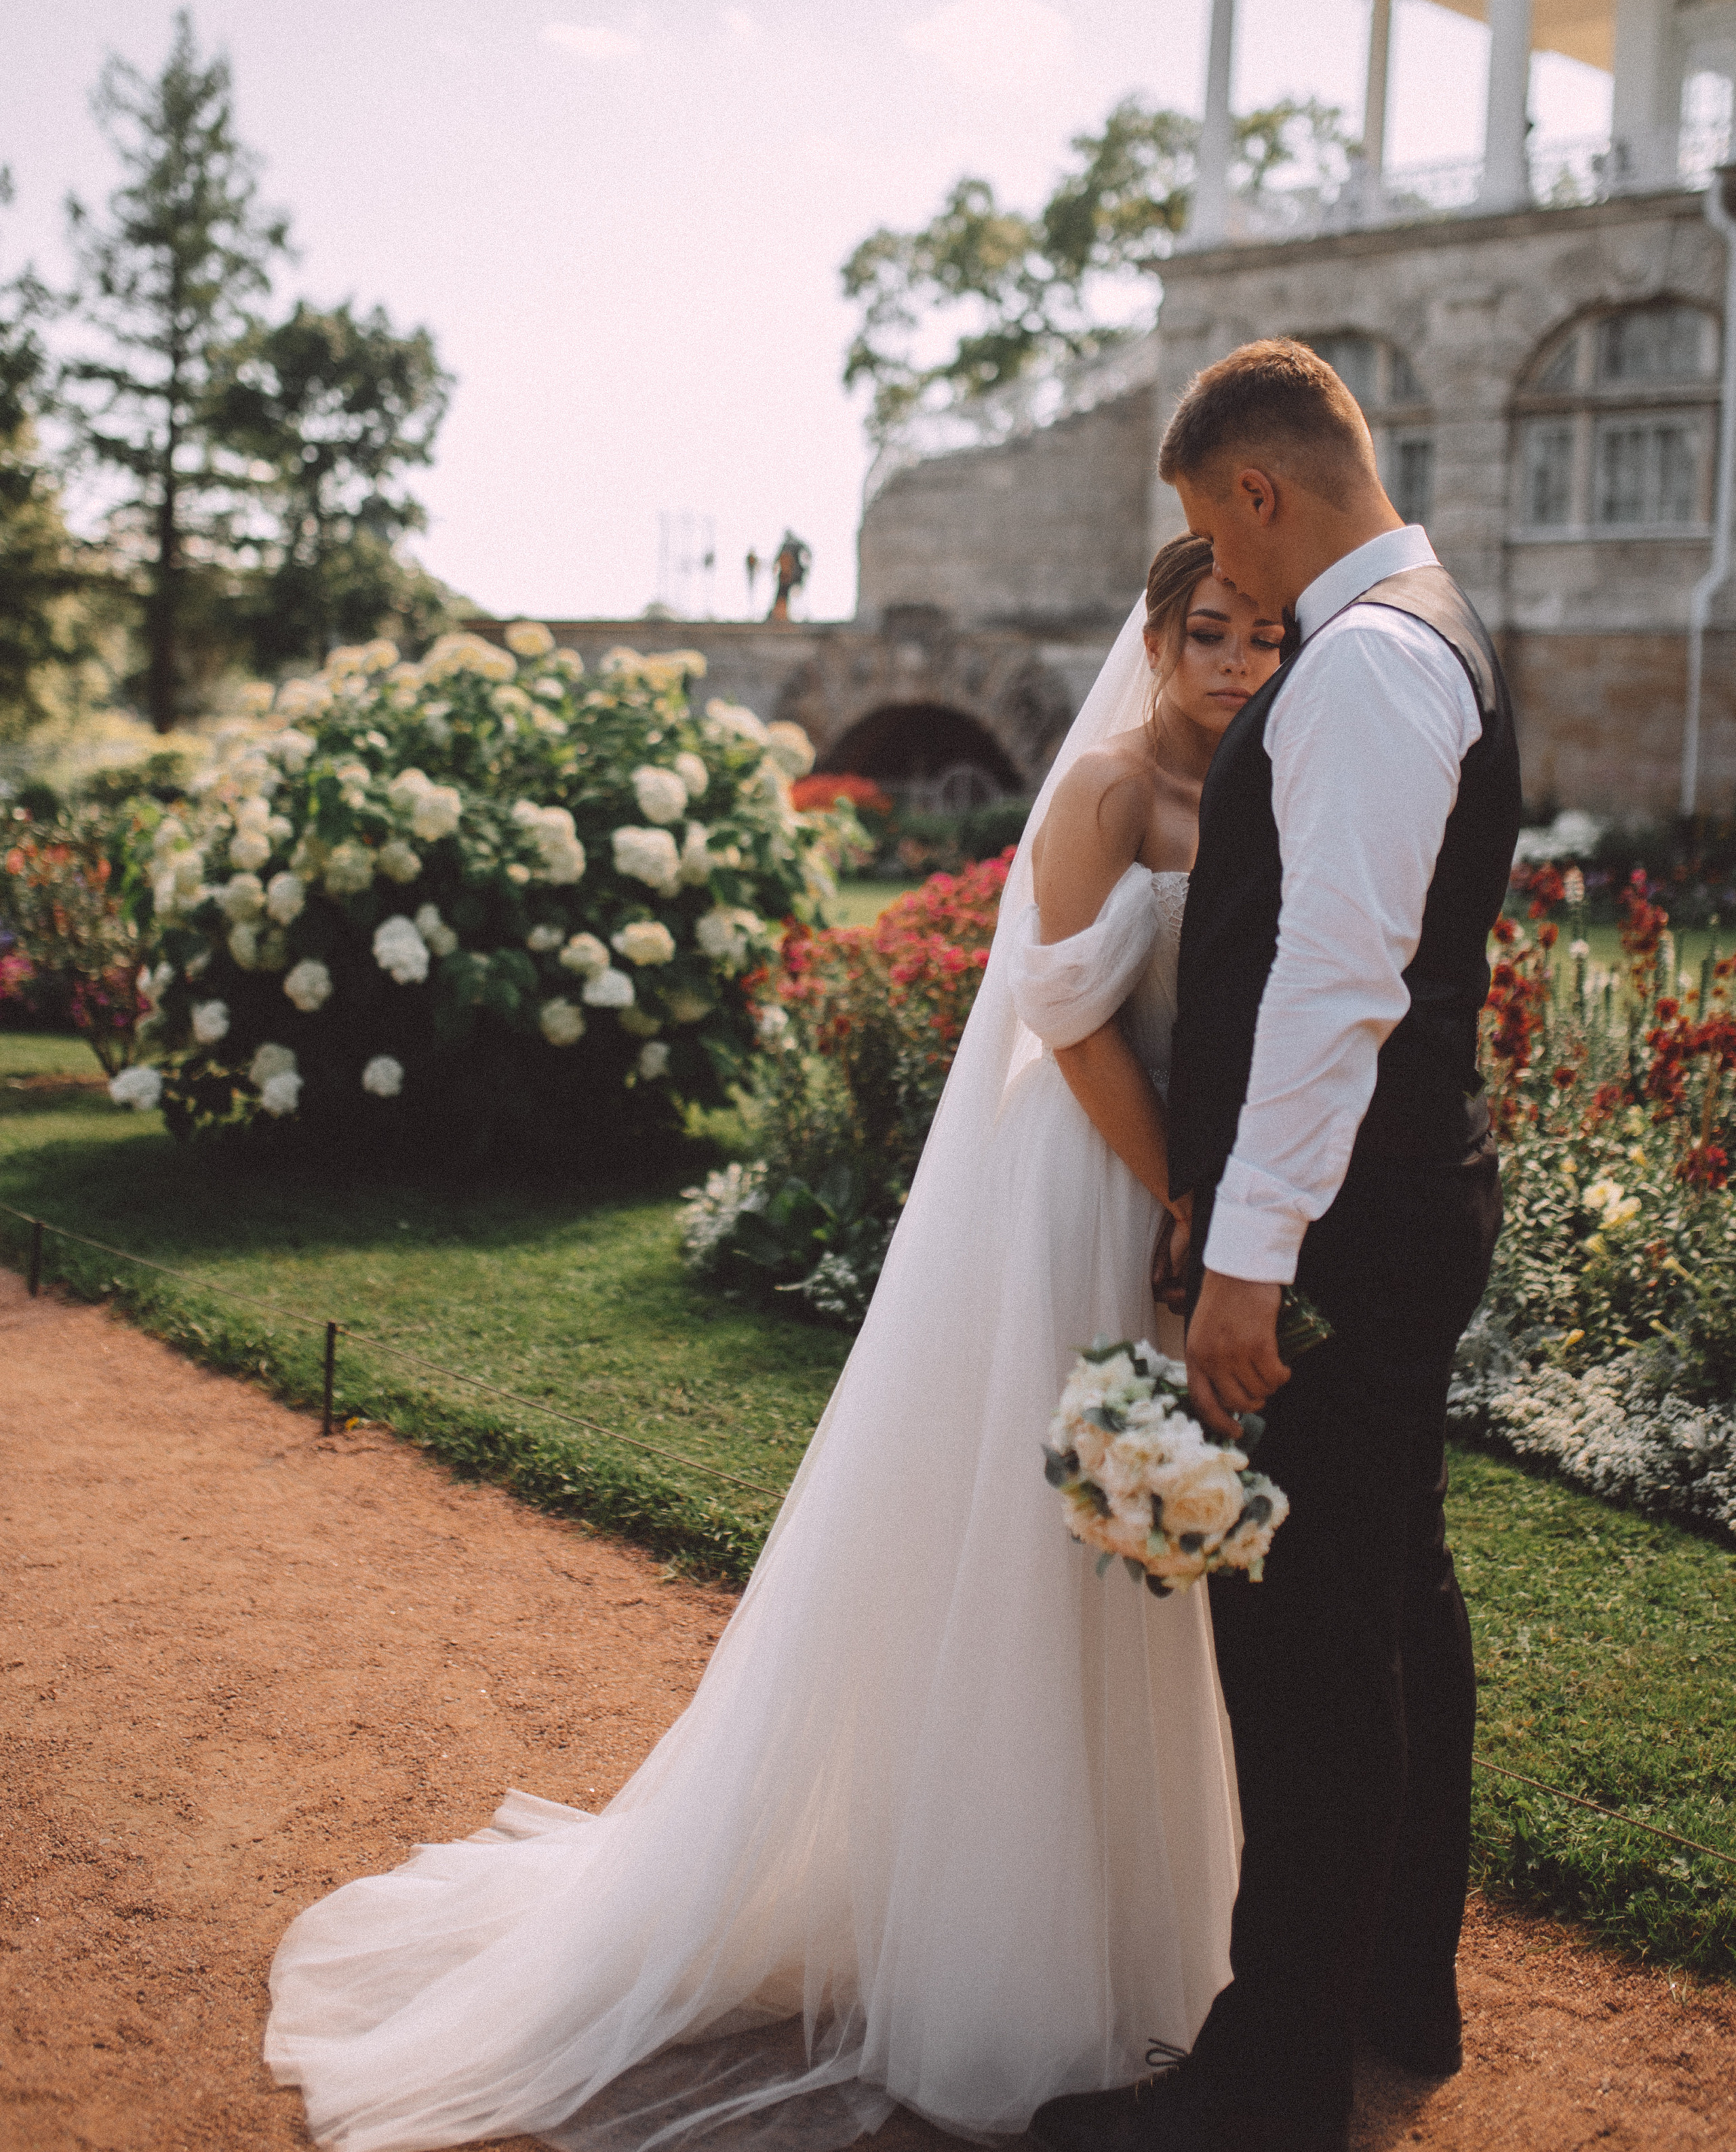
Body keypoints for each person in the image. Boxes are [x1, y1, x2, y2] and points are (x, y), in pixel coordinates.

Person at [263, 537, 1285, 2152]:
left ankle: (1136, 1933)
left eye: (1262, 635)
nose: (1237, 660)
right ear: (1151, 638)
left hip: (1179, 1200)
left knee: (1140, 1561)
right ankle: (996, 1955)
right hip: (1082, 1186)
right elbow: (1066, 1018)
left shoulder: (1262, 781)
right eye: (1208, 632)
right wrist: (1171, 1195)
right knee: (1041, 1550)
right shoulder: (1094, 790)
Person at [1035, 339, 1522, 2152]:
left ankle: (1266, 2086)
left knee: (1310, 1649)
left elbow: (1336, 988)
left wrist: (1245, 1266)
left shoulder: (1371, 663)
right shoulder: (1419, 622)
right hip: (1392, 1207)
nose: (1218, 590)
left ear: (1255, 491)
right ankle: (1399, 1984)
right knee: (1395, 1599)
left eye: (1211, 541)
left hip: (1328, 1230)